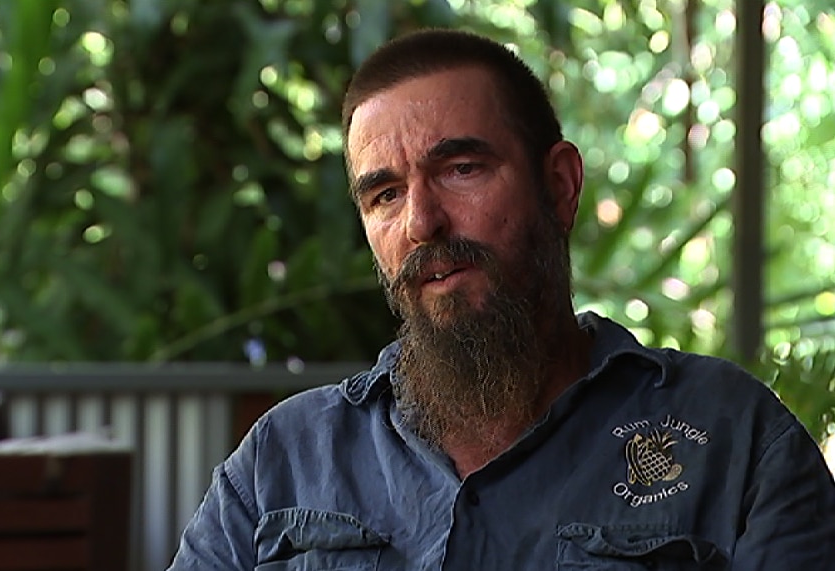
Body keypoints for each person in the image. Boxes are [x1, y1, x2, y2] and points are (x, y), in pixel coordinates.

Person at [167, 29, 835, 570]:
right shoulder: (282, 461)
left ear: (562, 185)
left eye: (461, 170)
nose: (421, 222)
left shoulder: (733, 438)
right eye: (385, 195)